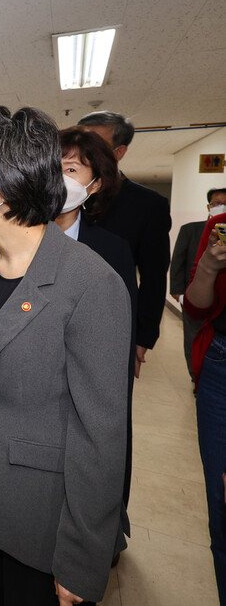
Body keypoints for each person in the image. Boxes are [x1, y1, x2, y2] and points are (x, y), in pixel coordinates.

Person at [0, 106, 130, 605]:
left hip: (36, 515)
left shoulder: (91, 285)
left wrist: (81, 557)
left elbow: (102, 435)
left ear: (5, 185)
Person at [56, 126, 138, 513]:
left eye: (71, 169)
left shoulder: (112, 252)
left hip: (81, 393)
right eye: (51, 166)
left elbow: (115, 347)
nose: (57, 178)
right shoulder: (6, 242)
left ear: (94, 186)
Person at [78, 111, 172, 378]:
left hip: (113, 326)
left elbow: (153, 277)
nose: (82, 152)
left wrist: (141, 338)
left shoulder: (147, 205)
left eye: (93, 144)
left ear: (118, 152)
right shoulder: (58, 197)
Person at [183, 211, 226, 605]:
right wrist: (210, 268)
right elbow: (197, 308)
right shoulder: (220, 228)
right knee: (222, 505)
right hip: (220, 369)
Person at [172, 188, 226, 385]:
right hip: (194, 295)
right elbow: (178, 260)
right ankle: (196, 377)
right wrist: (177, 292)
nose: (221, 207)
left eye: (225, 203)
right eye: (217, 203)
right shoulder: (191, 230)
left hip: (218, 306)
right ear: (208, 206)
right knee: (192, 338)